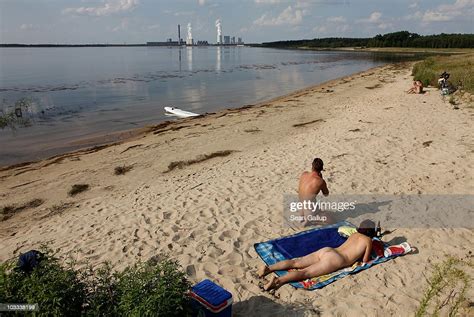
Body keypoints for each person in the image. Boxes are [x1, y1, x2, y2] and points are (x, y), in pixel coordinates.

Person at [258, 220, 376, 291]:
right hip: (336, 260)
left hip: (328, 250)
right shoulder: (368, 241)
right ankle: (278, 280)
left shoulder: (354, 234)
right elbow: (365, 260)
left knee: (296, 262)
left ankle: (268, 268)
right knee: (305, 273)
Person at [297, 158, 329, 225]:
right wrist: (321, 180)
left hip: (300, 207)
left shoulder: (304, 174)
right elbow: (326, 194)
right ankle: (308, 221)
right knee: (328, 217)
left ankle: (303, 219)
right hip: (309, 211)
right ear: (321, 168)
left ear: (312, 166)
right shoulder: (320, 181)